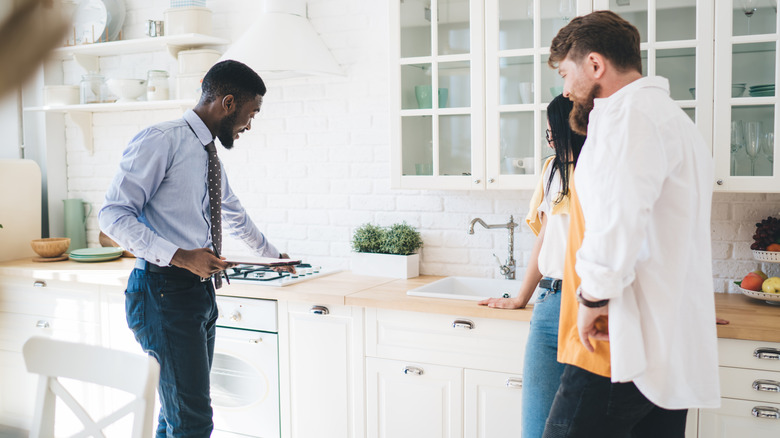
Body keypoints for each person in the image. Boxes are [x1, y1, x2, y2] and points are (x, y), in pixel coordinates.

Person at [542, 11, 720, 438]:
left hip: (619, 342)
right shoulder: (674, 120)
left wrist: (592, 299)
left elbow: (618, 218)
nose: (566, 91)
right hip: (663, 346)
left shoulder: (628, 118)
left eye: (566, 74)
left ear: (595, 65)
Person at [98, 60, 289, 437]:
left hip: (198, 294)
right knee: (193, 422)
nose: (249, 125)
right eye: (251, 114)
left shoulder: (207, 154)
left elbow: (234, 214)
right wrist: (182, 256)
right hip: (162, 292)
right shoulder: (161, 139)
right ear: (229, 103)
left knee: (176, 417)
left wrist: (273, 258)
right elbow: (112, 215)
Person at [479, 94, 585, 438]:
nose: (551, 139)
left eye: (554, 130)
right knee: (536, 426)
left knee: (578, 427)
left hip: (587, 306)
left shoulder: (600, 172)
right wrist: (520, 298)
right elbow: (545, 238)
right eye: (549, 133)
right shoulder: (552, 170)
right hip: (549, 306)